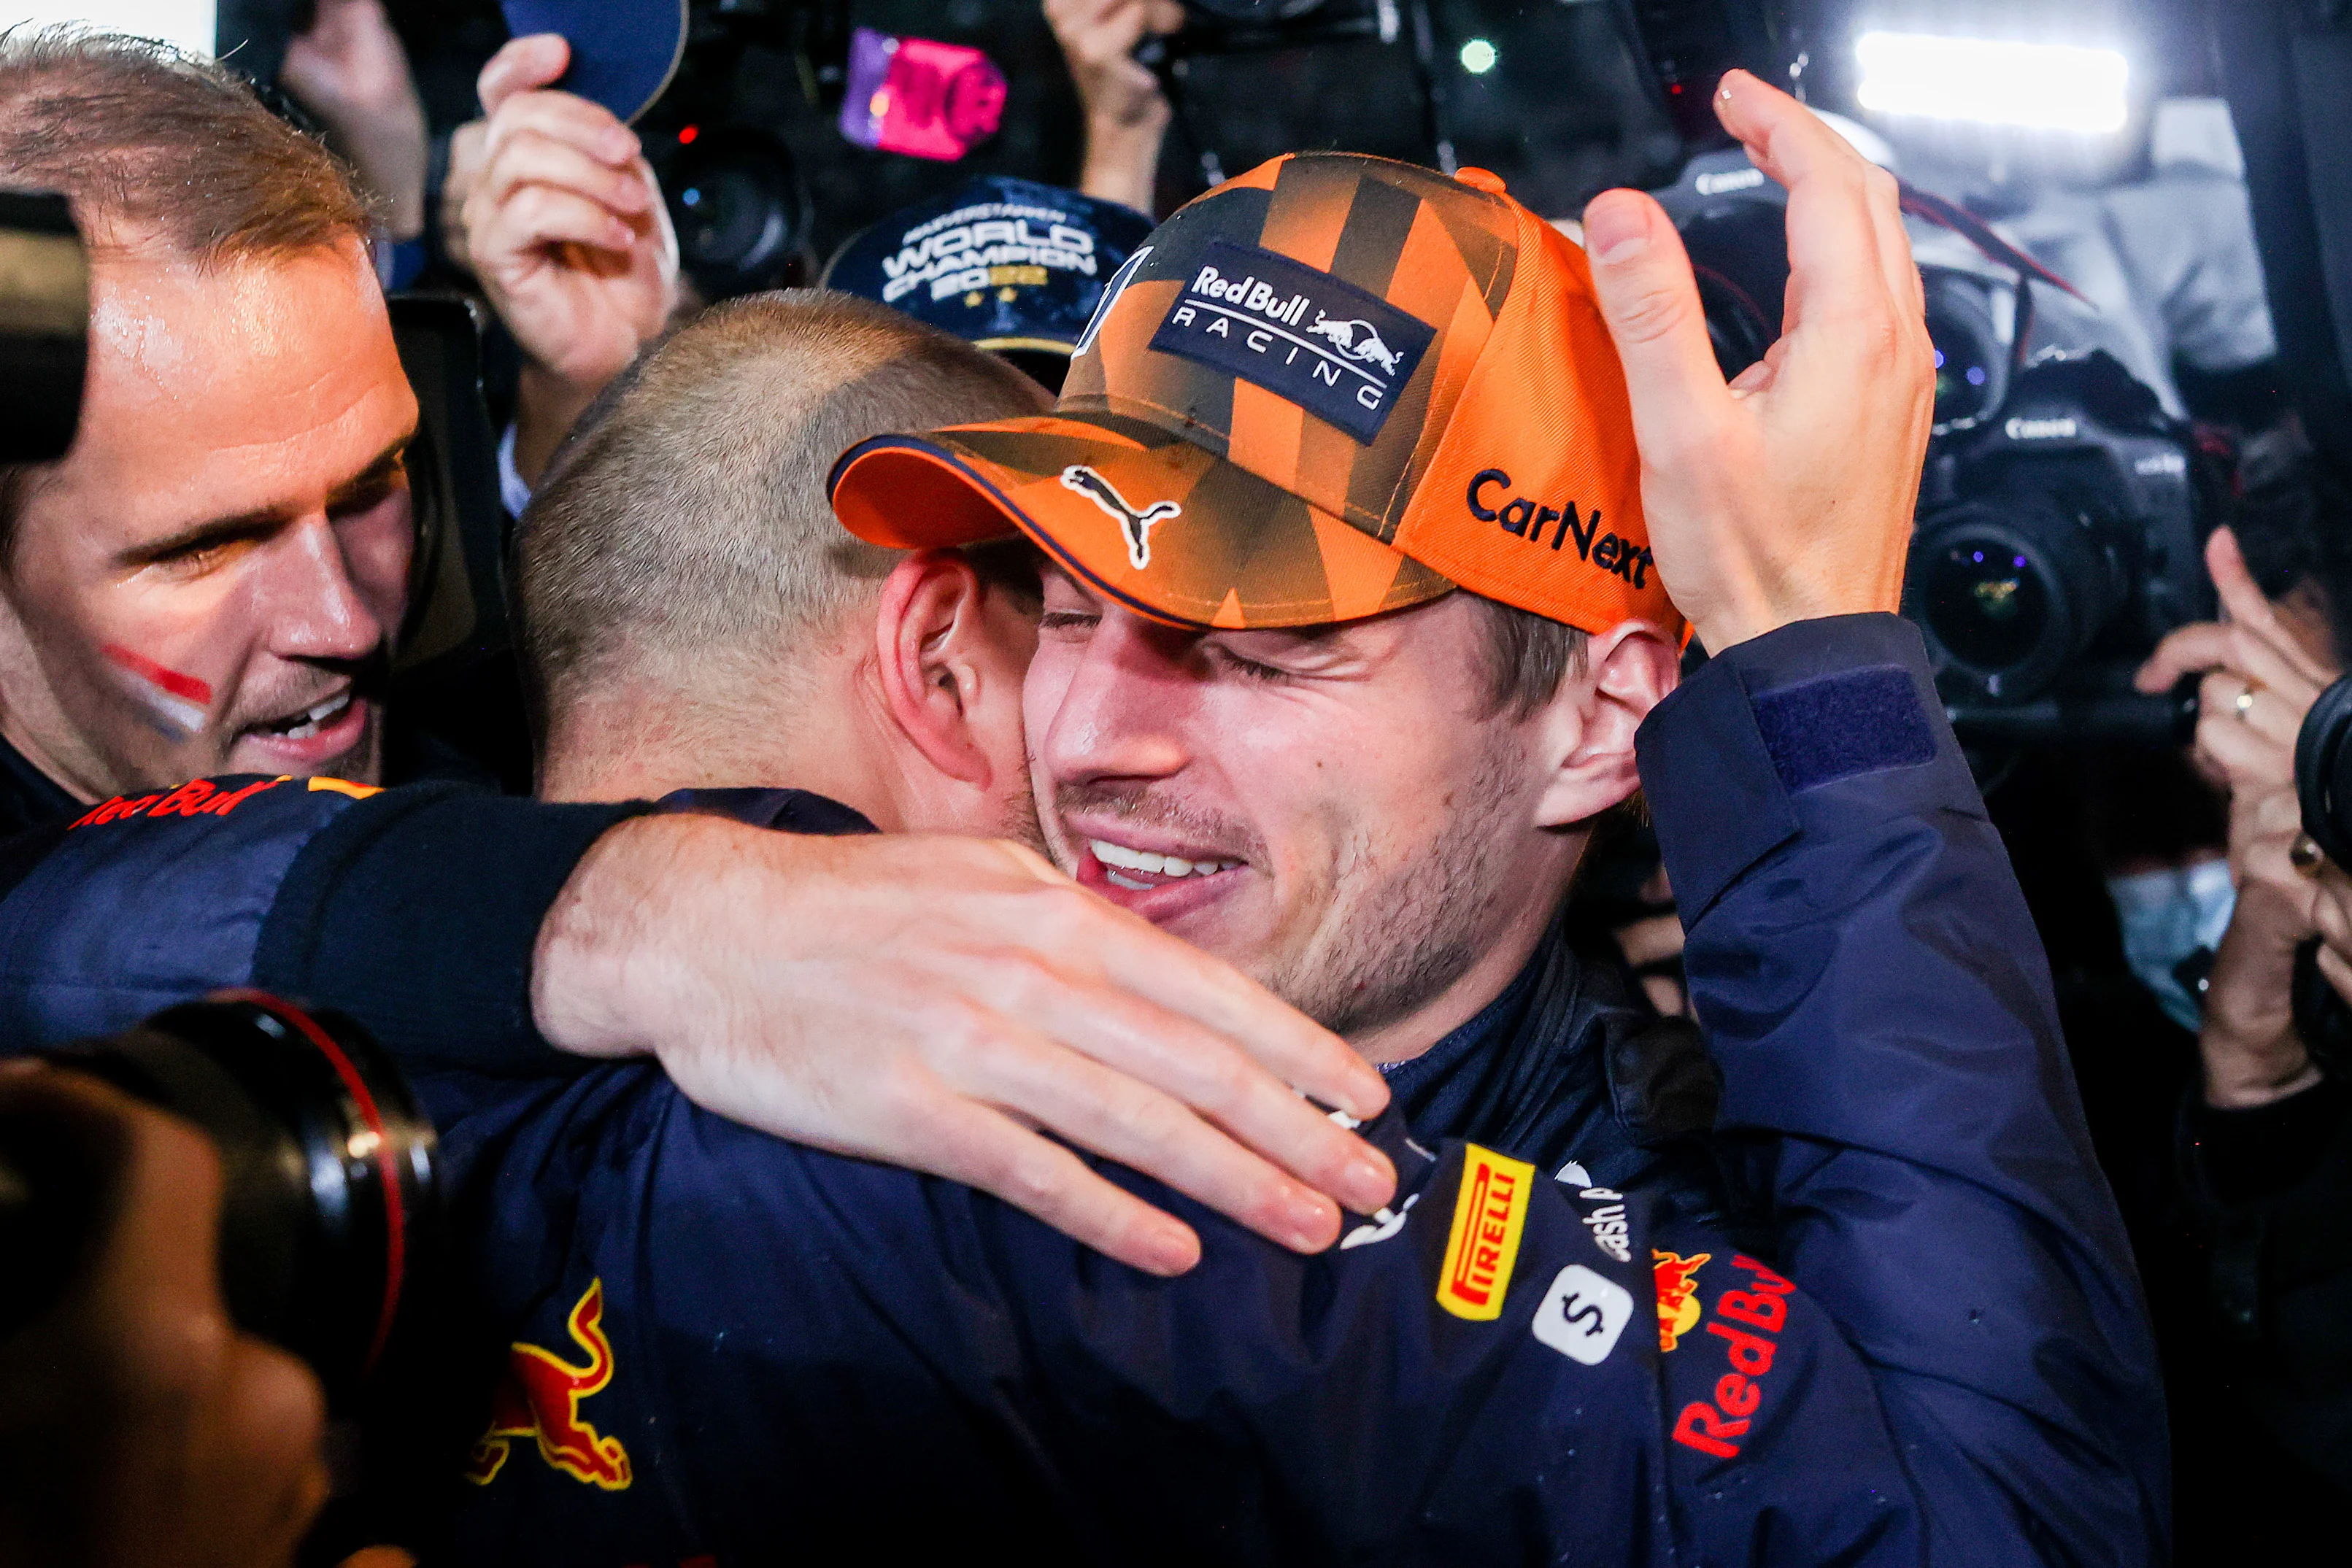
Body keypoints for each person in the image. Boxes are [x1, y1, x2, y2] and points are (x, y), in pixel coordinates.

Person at [0, 74, 2163, 1564]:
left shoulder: (1642, 1164)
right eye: (1077, 600)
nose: (1106, 731)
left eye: (1256, 644)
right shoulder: (903, 1083)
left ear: (1606, 716)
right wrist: (659, 907)